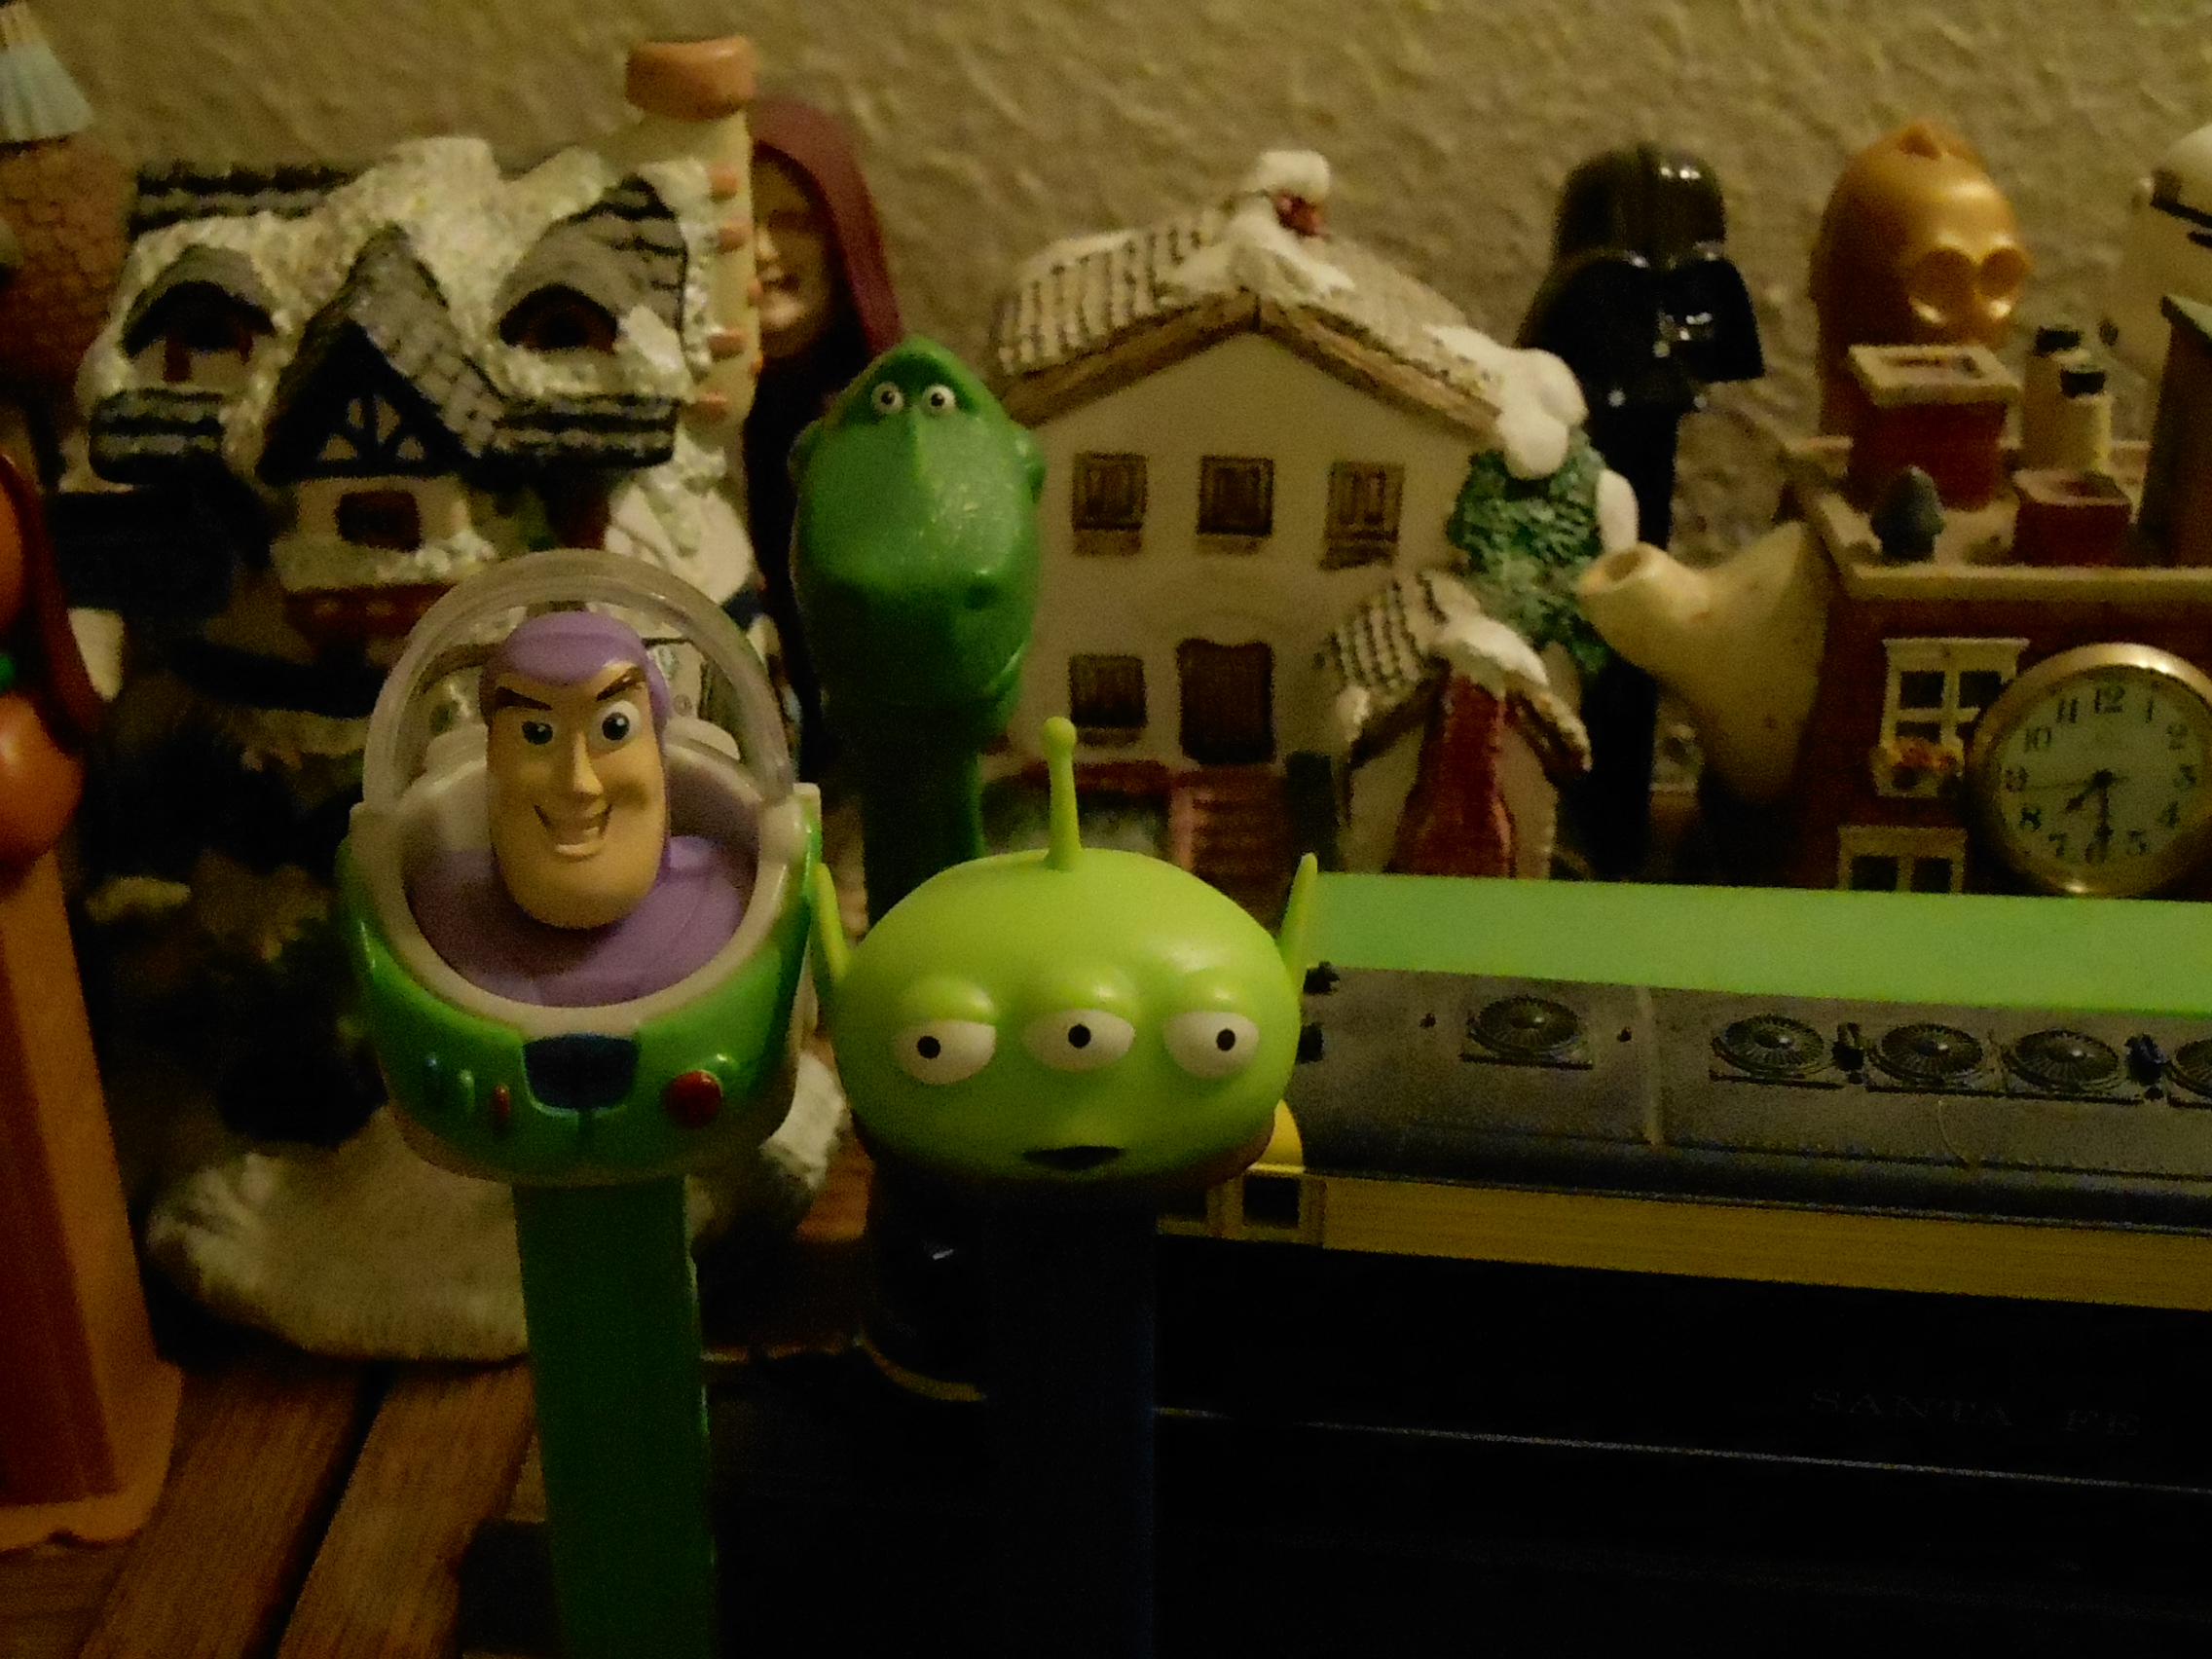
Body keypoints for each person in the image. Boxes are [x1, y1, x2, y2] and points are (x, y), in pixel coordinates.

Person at [409, 611, 752, 1007]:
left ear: (658, 752)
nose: (579, 783)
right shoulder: (442, 916)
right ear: (492, 758)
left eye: (615, 728)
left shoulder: (727, 897)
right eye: (537, 733)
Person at [744, 96, 903, 777]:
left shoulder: (882, 415)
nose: (762, 250)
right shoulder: (695, 422)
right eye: (739, 224)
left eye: (792, 222)